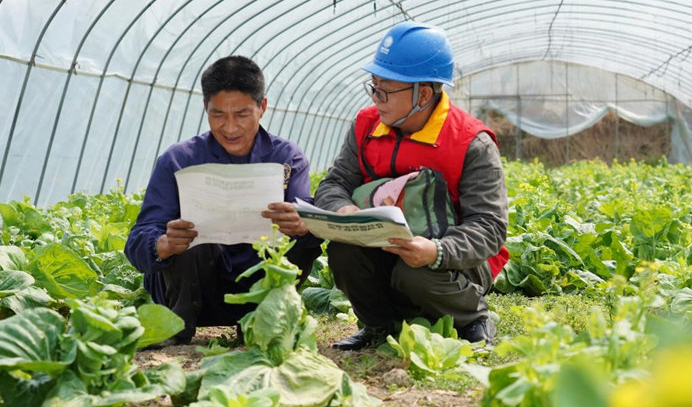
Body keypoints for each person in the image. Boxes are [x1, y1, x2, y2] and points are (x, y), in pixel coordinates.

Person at [314, 21, 509, 350]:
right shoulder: (366, 125)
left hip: (458, 261)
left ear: (425, 94)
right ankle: (379, 325)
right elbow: (334, 183)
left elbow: (489, 227)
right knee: (344, 251)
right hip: (387, 245)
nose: (377, 99)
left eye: (386, 90)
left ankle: (472, 319)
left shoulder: (471, 142)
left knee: (414, 273)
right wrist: (343, 210)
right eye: (373, 87)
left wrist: (436, 251)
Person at [124, 56, 320, 346]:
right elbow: (138, 240)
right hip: (193, 293)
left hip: (258, 288)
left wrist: (301, 225)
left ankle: (262, 322)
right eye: (218, 115)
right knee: (190, 238)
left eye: (242, 114)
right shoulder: (178, 160)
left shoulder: (286, 158)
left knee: (305, 236)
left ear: (262, 107)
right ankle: (177, 327)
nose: (230, 128)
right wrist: (163, 244)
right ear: (205, 108)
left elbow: (313, 232)